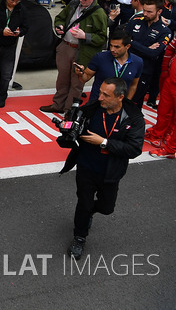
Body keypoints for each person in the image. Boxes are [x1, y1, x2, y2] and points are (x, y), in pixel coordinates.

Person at [60, 78, 144, 260]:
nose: (100, 98)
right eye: (100, 93)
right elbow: (70, 135)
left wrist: (104, 143)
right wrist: (68, 128)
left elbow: (134, 149)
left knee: (107, 208)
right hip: (86, 167)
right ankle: (79, 238)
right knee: (84, 203)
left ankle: (90, 212)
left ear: (120, 97)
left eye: (106, 95)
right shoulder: (90, 110)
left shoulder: (134, 118)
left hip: (111, 172)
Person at [40, 0, 108, 113]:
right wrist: (59, 27)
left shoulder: (99, 14)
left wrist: (86, 36)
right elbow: (60, 17)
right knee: (62, 79)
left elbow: (102, 38)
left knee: (77, 83)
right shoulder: (74, 4)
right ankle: (58, 104)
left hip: (83, 51)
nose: (81, 0)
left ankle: (70, 109)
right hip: (66, 46)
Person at [125, 0, 170, 107]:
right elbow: (123, 40)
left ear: (159, 11)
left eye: (149, 12)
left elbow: (153, 53)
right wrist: (145, 48)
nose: (145, 13)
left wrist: (132, 43)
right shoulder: (135, 21)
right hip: (125, 66)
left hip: (144, 72)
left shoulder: (165, 31)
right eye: (144, 10)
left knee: (134, 104)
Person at [75, 29, 142, 102]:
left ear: (127, 46)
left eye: (117, 47)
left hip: (119, 106)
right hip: (97, 103)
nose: (112, 49)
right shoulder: (100, 58)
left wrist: (127, 102)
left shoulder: (137, 62)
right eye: (111, 45)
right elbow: (86, 77)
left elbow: (133, 85)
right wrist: (81, 73)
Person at [146, 36, 176, 158]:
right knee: (163, 109)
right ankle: (158, 134)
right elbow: (170, 49)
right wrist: (164, 70)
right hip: (171, 79)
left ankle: (170, 148)